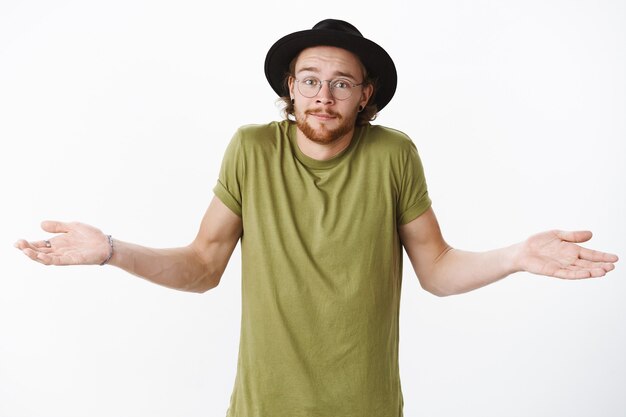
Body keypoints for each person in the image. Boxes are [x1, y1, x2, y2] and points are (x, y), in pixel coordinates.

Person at [15, 19, 618, 417]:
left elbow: (436, 269)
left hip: (368, 405)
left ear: (366, 94)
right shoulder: (252, 149)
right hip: (263, 406)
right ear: (290, 85)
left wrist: (517, 256)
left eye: (340, 83)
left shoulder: (393, 154)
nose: (322, 96)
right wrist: (113, 250)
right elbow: (203, 266)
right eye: (310, 81)